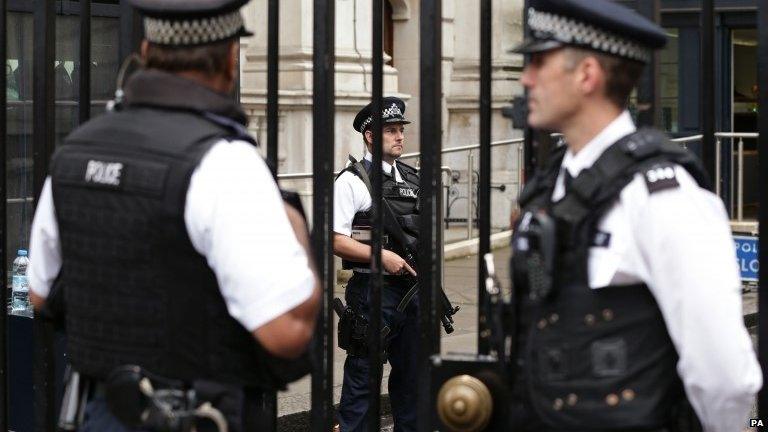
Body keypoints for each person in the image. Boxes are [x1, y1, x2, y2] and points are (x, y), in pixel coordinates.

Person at [27, 0, 320, 430]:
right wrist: (295, 226)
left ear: (145, 51)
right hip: (196, 413)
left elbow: (39, 293)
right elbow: (286, 328)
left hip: (98, 411)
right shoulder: (224, 162)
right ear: (230, 58)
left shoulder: (76, 148)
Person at [507, 0, 761, 431]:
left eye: (539, 61)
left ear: (586, 74)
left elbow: (724, 377)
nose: (525, 78)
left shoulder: (665, 199)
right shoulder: (550, 186)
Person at [333, 97, 419, 431]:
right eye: (391, 131)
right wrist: (380, 256)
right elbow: (334, 237)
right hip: (373, 294)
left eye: (401, 130)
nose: (400, 137)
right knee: (363, 379)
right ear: (370, 136)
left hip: (411, 293)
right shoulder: (353, 181)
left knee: (413, 381)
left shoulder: (412, 179)